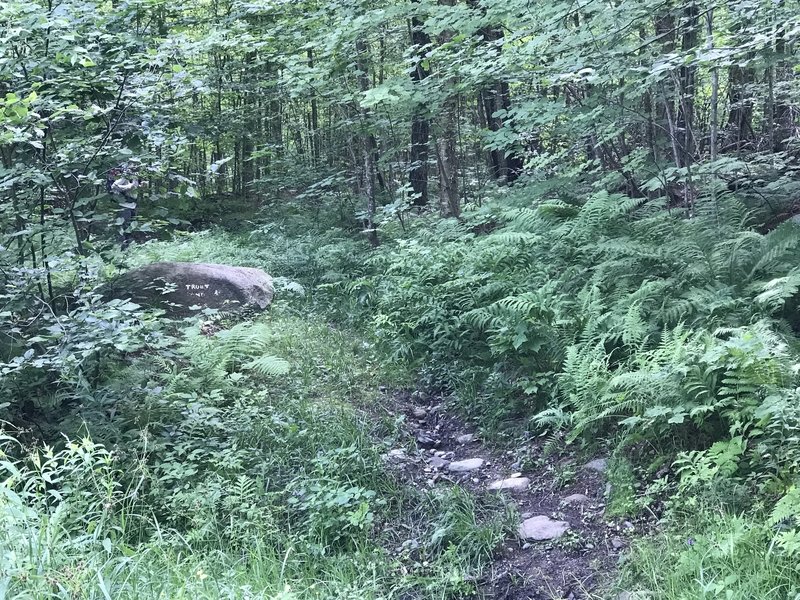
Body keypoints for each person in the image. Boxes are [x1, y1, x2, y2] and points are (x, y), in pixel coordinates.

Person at [108, 166, 141, 248]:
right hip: (124, 206)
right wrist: (128, 186)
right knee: (123, 227)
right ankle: (122, 246)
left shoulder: (135, 178)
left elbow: (136, 187)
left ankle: (128, 246)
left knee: (131, 227)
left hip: (133, 206)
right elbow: (114, 186)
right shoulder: (123, 179)